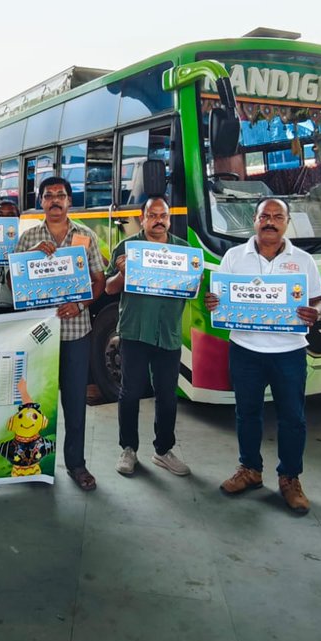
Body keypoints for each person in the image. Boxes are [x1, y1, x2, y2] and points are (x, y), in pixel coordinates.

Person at [204, 197, 321, 514]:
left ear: (287, 222)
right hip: (245, 349)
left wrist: (317, 313)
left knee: (292, 418)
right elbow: (218, 297)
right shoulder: (233, 257)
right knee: (247, 413)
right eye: (264, 216)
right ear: (254, 220)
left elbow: (320, 302)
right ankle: (250, 470)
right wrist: (214, 303)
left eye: (277, 216)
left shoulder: (303, 261)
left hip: (290, 352)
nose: (270, 221)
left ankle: (290, 478)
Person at [16, 176, 105, 491]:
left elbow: (99, 281)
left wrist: (80, 305)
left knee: (74, 402)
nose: (55, 200)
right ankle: (34, 464)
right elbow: (16, 284)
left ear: (69, 201)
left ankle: (76, 465)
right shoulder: (28, 239)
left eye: (61, 195)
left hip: (75, 332)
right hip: (39, 334)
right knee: (36, 402)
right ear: (40, 201)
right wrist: (32, 260)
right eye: (49, 195)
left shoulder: (86, 236)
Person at [105, 196, 192, 477]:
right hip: (135, 331)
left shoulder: (183, 250)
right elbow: (108, 289)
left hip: (167, 332)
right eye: (152, 215)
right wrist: (122, 274)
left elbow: (191, 289)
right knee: (130, 393)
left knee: (167, 395)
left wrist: (194, 281)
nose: (158, 220)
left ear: (169, 218)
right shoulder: (128, 248)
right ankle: (128, 449)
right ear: (142, 218)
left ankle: (163, 450)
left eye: (163, 215)